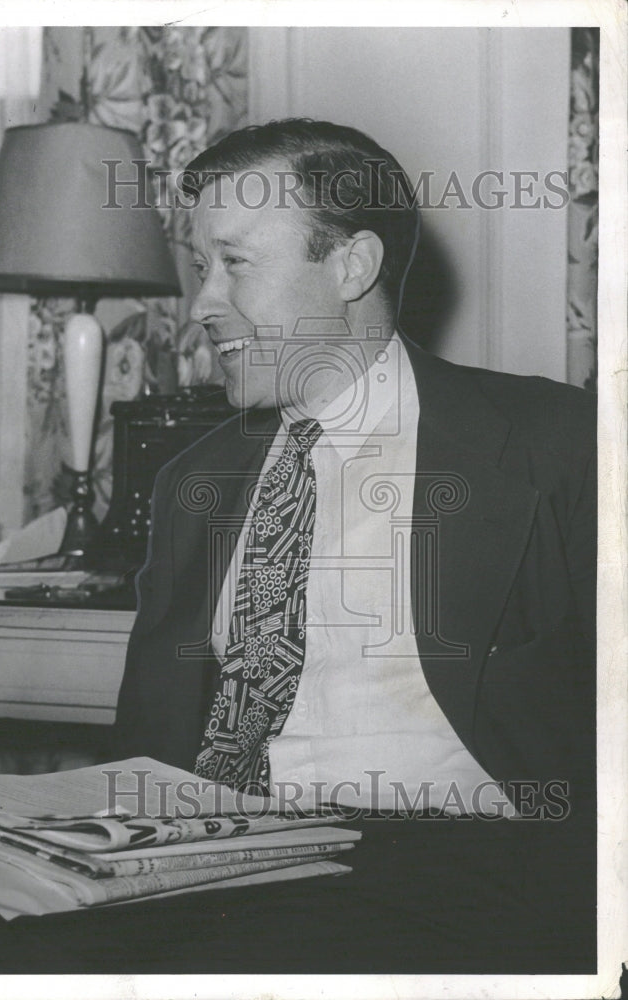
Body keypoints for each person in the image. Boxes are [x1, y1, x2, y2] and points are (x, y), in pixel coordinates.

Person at [112, 119, 596, 967]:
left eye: (235, 263)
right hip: (210, 879)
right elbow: (149, 738)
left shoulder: (556, 443)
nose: (199, 307)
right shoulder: (190, 482)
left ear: (350, 266)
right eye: (199, 268)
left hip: (463, 880)